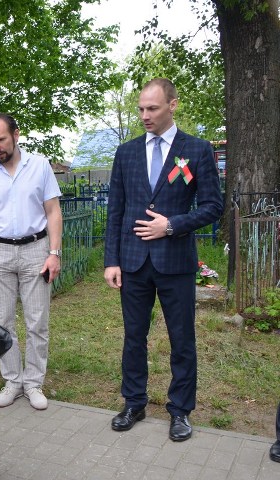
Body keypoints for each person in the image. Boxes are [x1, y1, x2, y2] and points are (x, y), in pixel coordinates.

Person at [104, 78, 224, 442]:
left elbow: (213, 207)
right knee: (134, 336)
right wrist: (111, 261)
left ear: (172, 105)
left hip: (176, 262)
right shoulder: (126, 153)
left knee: (181, 338)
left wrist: (171, 225)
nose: (145, 115)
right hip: (133, 262)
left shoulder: (197, 150)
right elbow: (116, 210)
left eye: (152, 108)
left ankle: (180, 410)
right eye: (141, 108)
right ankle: (134, 403)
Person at [0, 113, 63, 411]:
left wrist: (54, 253)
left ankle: (33, 383)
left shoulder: (40, 166)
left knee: (37, 321)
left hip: (36, 249)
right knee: (2, 322)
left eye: (1, 139)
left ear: (16, 135)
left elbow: (53, 211)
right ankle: (12, 381)